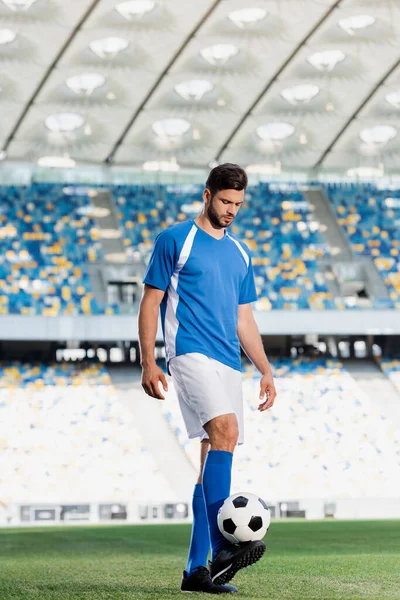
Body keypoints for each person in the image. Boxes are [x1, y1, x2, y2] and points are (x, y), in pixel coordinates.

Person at [138, 163, 277, 594]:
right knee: (226, 431)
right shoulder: (175, 239)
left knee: (210, 462)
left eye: (238, 203)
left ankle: (196, 572)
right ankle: (224, 547)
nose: (231, 209)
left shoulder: (240, 253)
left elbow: (244, 318)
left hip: (228, 363)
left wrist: (266, 368)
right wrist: (148, 360)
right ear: (206, 195)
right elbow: (150, 302)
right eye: (224, 201)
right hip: (189, 354)